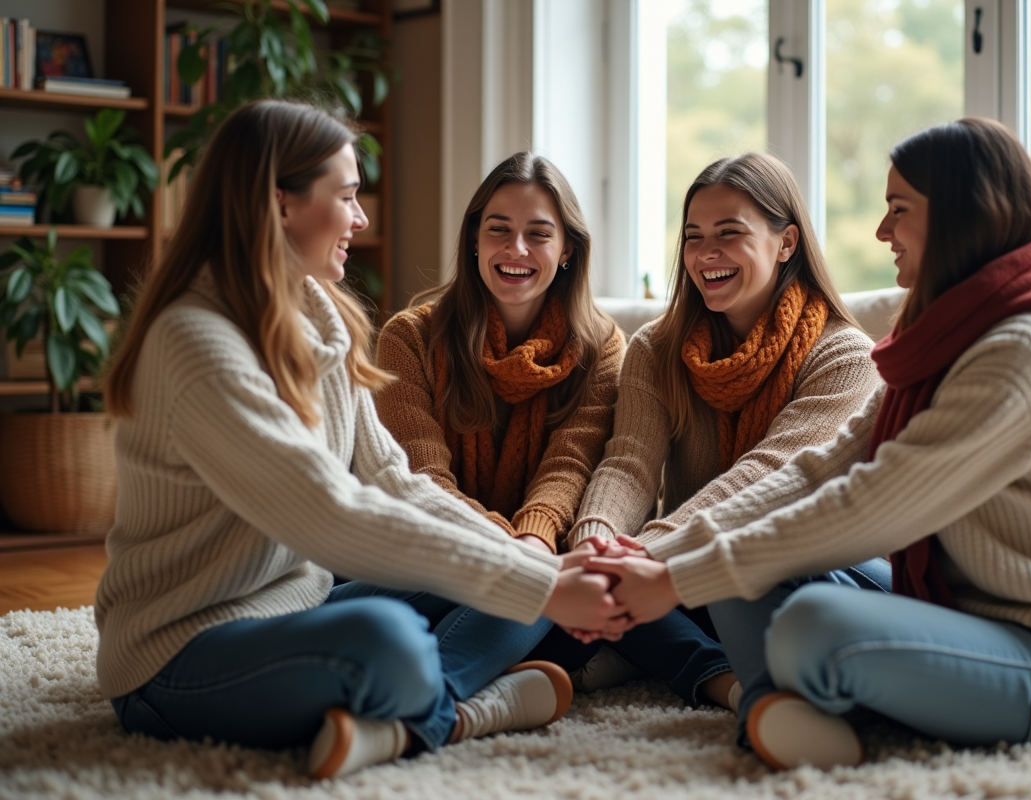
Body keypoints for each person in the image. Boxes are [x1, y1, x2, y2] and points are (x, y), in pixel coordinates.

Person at [583, 118, 1031, 770]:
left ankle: (773, 708)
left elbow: (872, 507)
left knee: (810, 629)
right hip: (961, 615)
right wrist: (670, 560)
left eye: (898, 211)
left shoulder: (1022, 348)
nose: (881, 232)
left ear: (958, 214)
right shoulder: (942, 334)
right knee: (737, 551)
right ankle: (788, 710)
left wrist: (670, 576)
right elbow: (819, 469)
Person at [98, 100, 625, 781]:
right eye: (346, 197)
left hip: (296, 601)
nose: (361, 218)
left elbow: (391, 481)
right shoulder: (195, 343)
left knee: (509, 577)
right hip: (179, 653)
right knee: (397, 640)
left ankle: (410, 711)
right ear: (279, 205)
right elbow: (329, 512)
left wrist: (536, 572)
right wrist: (539, 589)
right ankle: (474, 710)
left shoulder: (318, 315)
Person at [565, 152, 887, 711]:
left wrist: (646, 554)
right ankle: (729, 685)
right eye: (693, 236)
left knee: (721, 576)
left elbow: (771, 478)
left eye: (728, 233)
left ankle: (640, 649)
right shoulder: (657, 348)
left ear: (786, 243)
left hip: (801, 569)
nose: (705, 254)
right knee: (591, 590)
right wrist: (597, 543)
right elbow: (628, 464)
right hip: (686, 569)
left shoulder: (845, 356)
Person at [371, 152, 625, 709]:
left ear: (567, 252)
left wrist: (532, 545)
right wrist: (518, 561)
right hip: (432, 552)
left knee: (569, 592)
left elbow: (572, 462)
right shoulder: (409, 339)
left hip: (539, 555)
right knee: (538, 595)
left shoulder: (602, 346)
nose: (516, 250)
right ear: (473, 242)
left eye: (539, 235)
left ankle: (421, 700)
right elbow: (422, 481)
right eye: (498, 231)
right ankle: (517, 674)